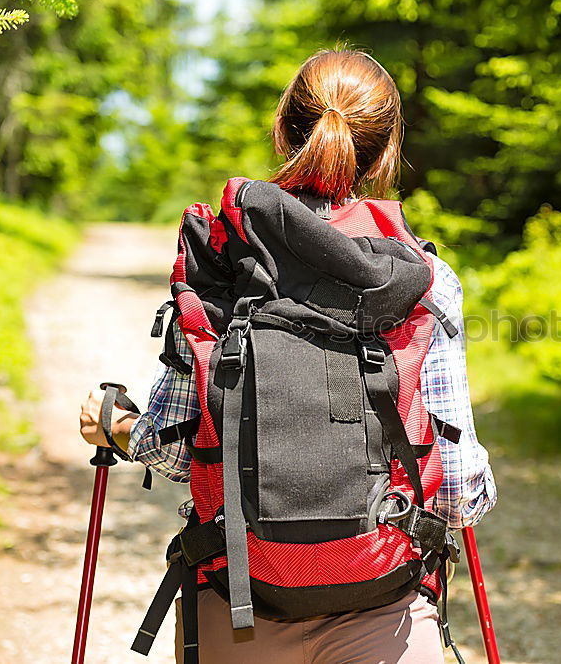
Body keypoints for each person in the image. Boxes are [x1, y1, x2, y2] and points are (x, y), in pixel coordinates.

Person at [78, 48, 497, 663]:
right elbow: (459, 491)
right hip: (383, 611)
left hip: (239, 611)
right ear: (384, 151)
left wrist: (116, 425)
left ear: (284, 130)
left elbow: (174, 448)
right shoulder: (422, 279)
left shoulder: (222, 255)